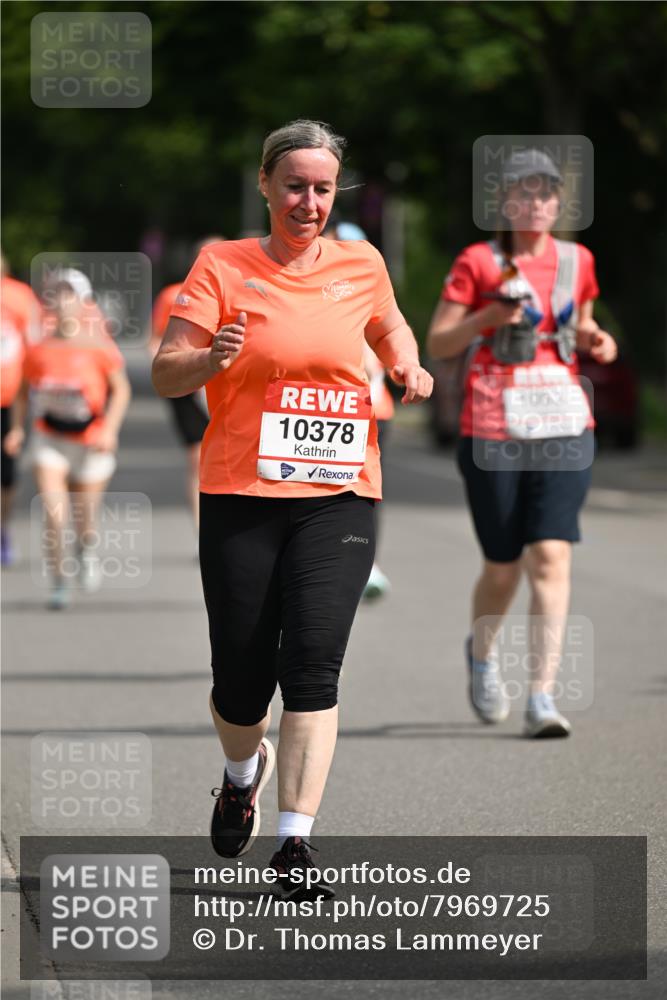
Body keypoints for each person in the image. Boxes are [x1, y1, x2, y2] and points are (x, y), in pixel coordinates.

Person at [152, 119, 432, 897]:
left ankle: (294, 845)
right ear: (266, 186)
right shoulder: (222, 265)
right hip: (242, 489)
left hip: (339, 491)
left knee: (312, 665)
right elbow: (167, 372)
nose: (308, 201)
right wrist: (208, 358)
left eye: (322, 187)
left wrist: (405, 363)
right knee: (241, 681)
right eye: (294, 186)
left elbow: (389, 326)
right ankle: (242, 771)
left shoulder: (360, 260)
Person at [427, 148, 617, 738]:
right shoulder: (478, 261)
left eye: (544, 193)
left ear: (559, 202)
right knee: (503, 567)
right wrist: (485, 319)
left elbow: (580, 327)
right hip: (493, 429)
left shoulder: (576, 260)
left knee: (552, 556)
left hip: (562, 424)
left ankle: (542, 697)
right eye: (522, 192)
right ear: (503, 202)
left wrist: (597, 340)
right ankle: (483, 656)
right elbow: (438, 343)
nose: (534, 203)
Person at [4, 269, 131, 609]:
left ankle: (86, 548)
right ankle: (59, 582)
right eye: (55, 296)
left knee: (84, 518)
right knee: (54, 513)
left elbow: (121, 390)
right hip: (50, 438)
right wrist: (17, 429)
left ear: (82, 302)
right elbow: (20, 392)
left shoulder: (97, 344)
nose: (61, 303)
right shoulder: (39, 346)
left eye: (69, 295)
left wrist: (110, 429)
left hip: (90, 441)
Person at [322, 220, 395, 599]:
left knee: (361, 494)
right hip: (324, 410)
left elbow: (389, 340)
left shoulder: (371, 288)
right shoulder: (318, 286)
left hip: (372, 410)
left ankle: (367, 563)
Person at [148, 237, 225, 535]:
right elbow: (156, 340)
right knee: (197, 457)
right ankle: (201, 528)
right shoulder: (172, 294)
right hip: (189, 386)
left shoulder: (243, 288)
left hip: (225, 383)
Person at [0, 254, 42, 565]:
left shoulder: (18, 295)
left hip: (9, 397)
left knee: (7, 474)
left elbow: (34, 343)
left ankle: (2, 529)